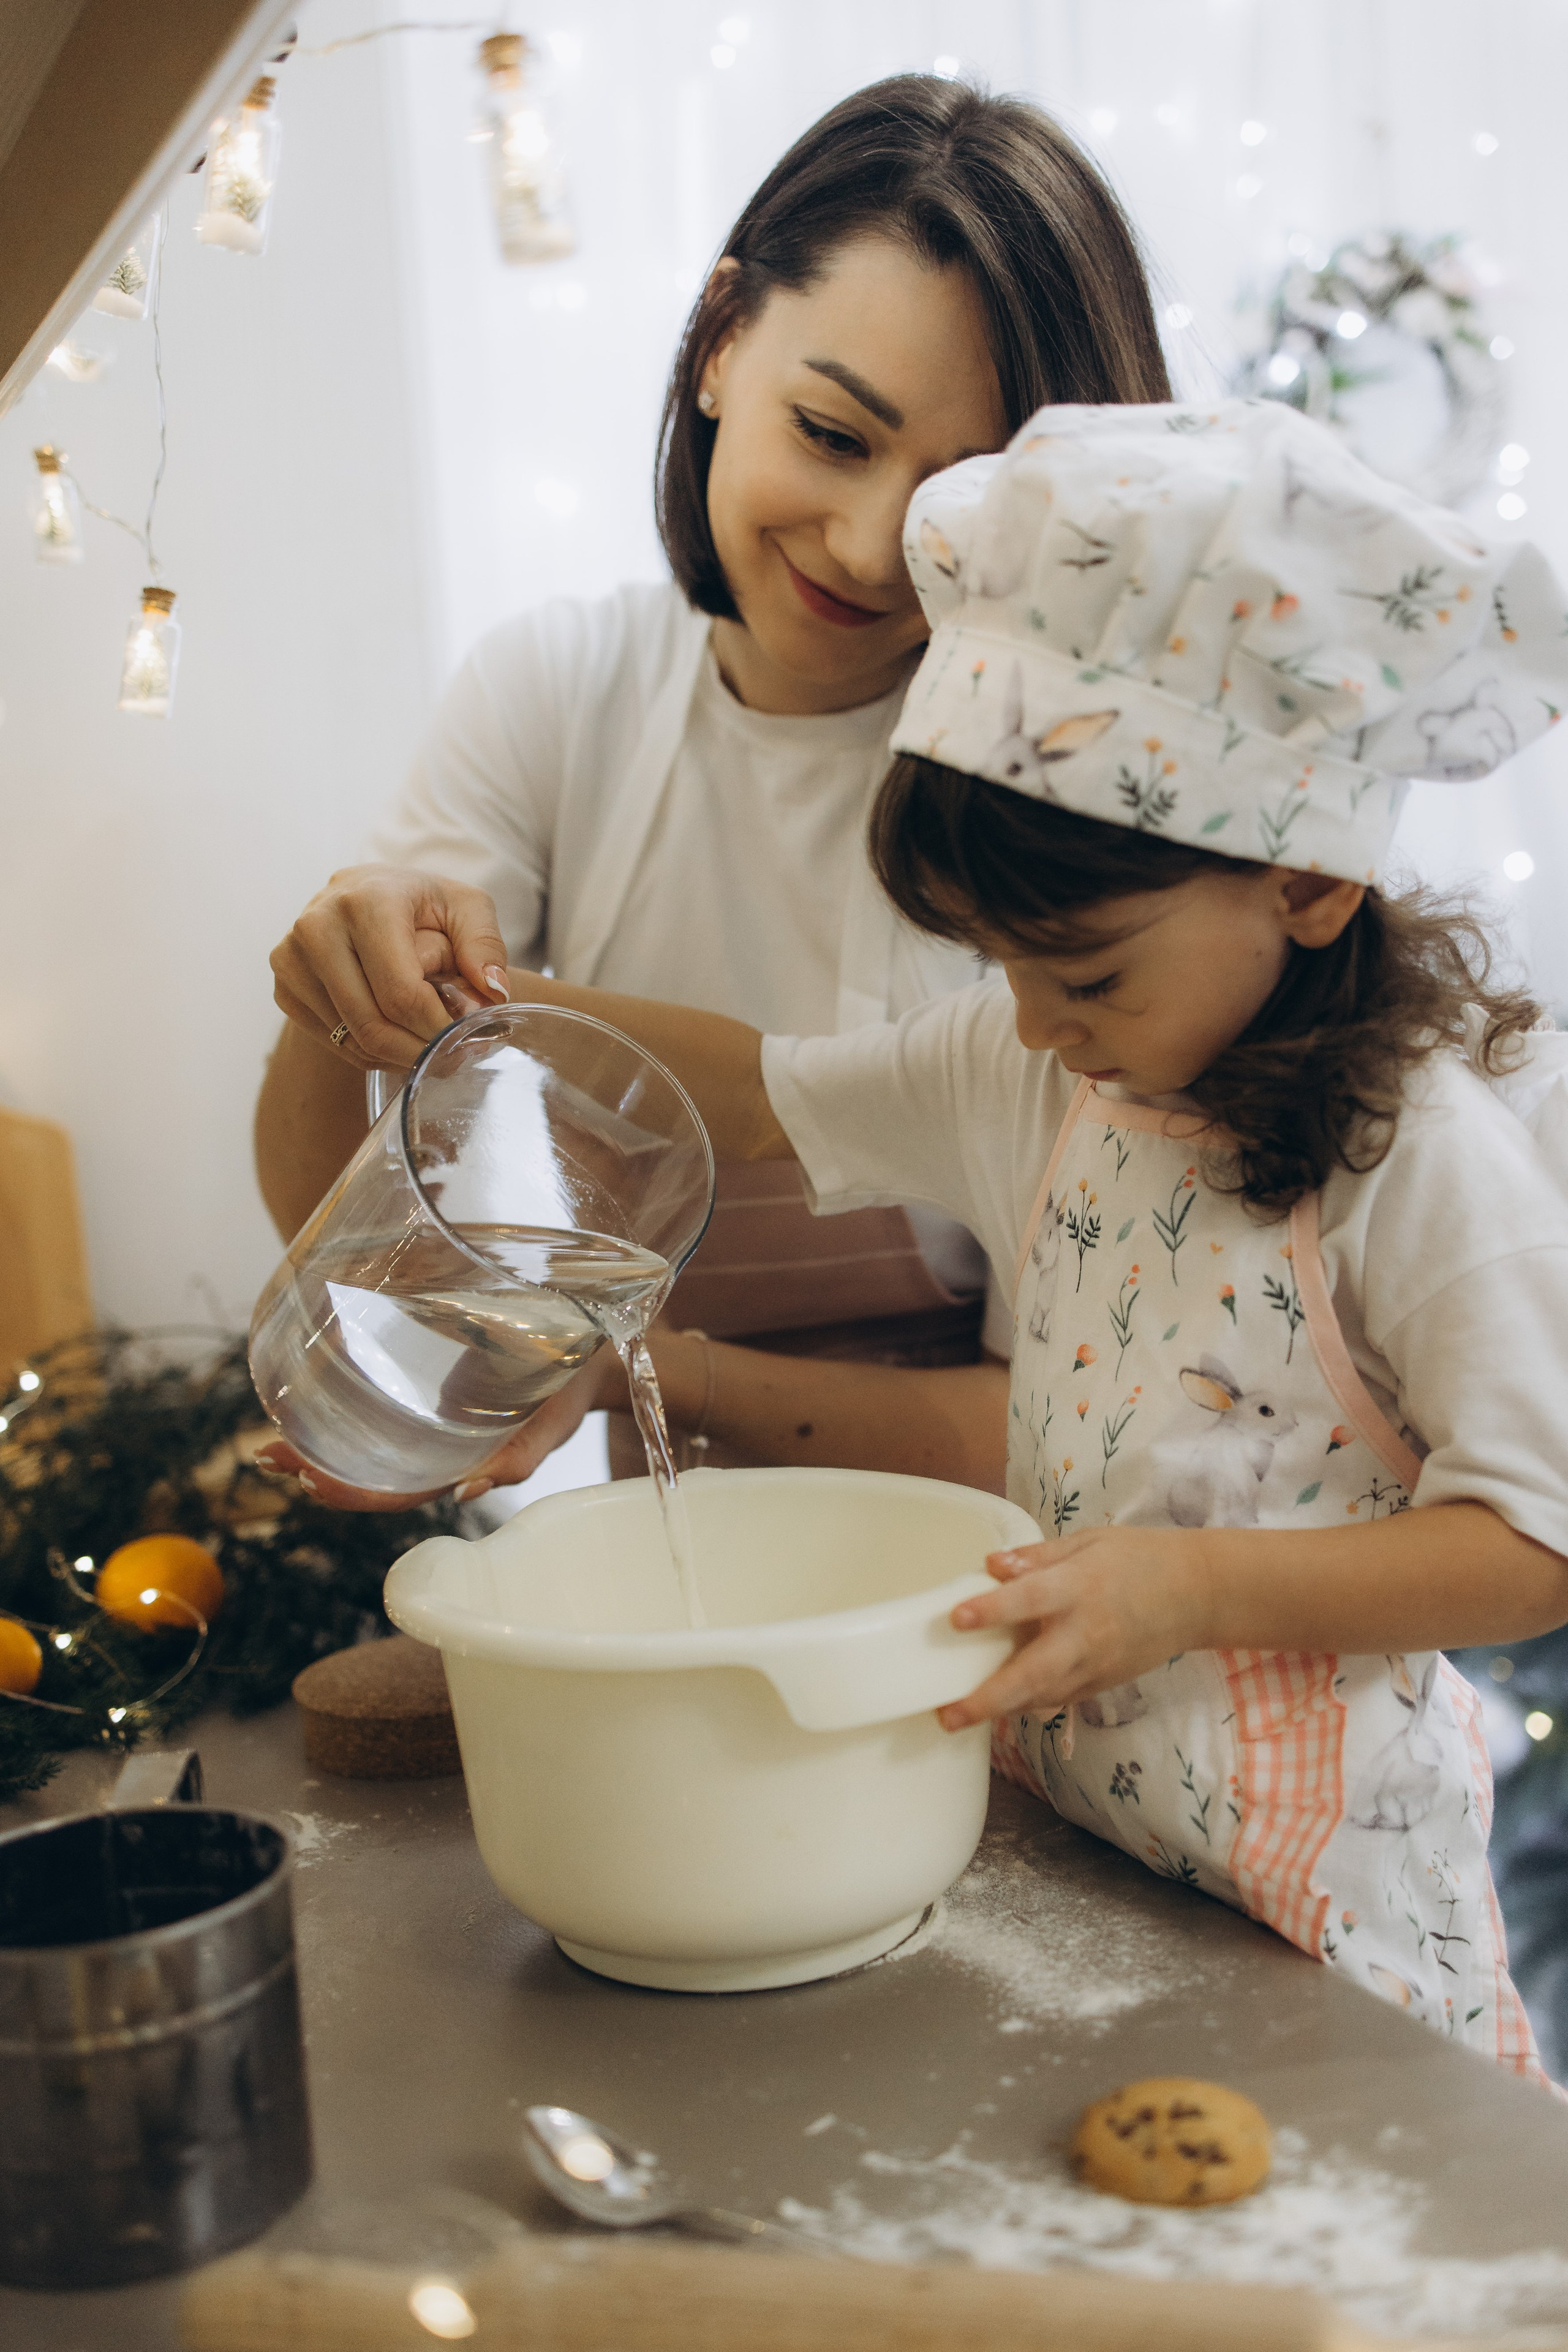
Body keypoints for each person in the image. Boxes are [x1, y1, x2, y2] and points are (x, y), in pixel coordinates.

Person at [467, 398, 1568, 2079]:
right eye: (1005, 971)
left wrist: (1193, 1585)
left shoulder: (1421, 1161)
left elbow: (1539, 1547)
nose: (1040, 1025)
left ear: (1307, 884)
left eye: (1091, 976)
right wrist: (488, 1010)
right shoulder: (1038, 1069)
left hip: (1331, 1941)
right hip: (1088, 1876)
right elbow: (756, 1094)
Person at [254, 74, 1171, 1507]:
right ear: (719, 341)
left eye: (958, 503)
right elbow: (350, 1231)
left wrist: (658, 1371)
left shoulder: (1065, 800)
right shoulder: (561, 691)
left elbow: (1072, 1410)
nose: (871, 550)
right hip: (676, 1583)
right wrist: (337, 998)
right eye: (833, 435)